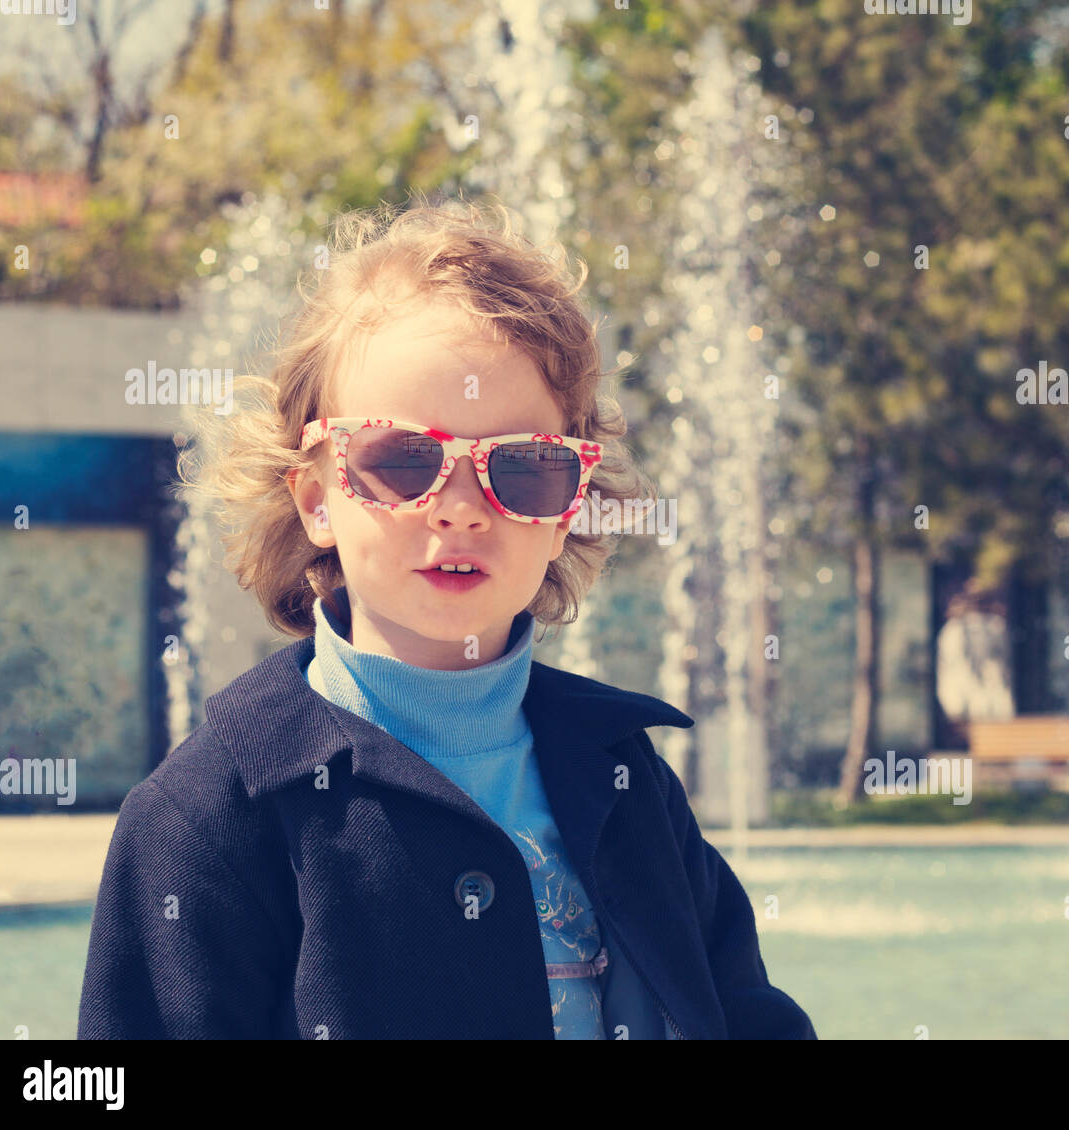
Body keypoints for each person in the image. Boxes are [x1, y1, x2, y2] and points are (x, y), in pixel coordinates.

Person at [76, 197, 815, 1040]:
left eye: (523, 467)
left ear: (570, 504)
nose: (461, 509)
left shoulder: (628, 778)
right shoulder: (208, 819)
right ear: (316, 500)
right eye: (402, 460)